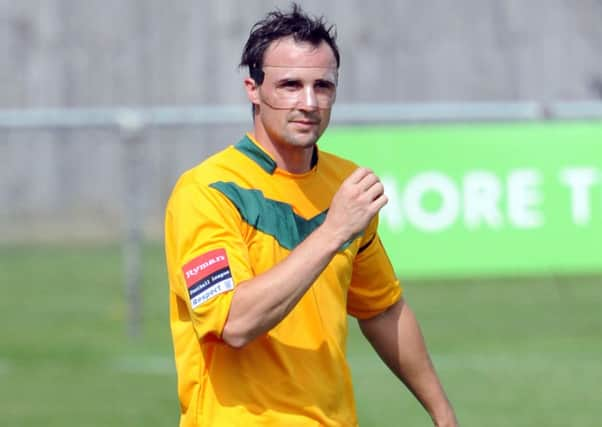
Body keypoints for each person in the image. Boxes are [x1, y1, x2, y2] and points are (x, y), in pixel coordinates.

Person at [164, 4, 458, 426]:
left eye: (323, 86)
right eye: (289, 85)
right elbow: (234, 322)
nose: (308, 102)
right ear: (253, 89)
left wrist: (443, 412)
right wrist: (333, 230)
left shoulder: (344, 185)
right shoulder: (208, 191)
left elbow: (382, 309)